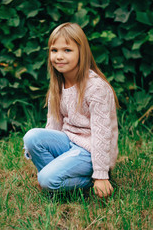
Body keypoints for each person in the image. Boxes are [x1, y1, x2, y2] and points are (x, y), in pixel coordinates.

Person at [23, 22, 120, 198]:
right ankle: (53, 179)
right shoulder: (58, 84)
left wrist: (101, 174)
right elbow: (53, 125)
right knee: (31, 137)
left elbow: (102, 134)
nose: (59, 56)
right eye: (54, 50)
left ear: (81, 53)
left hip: (90, 151)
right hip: (68, 143)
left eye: (67, 50)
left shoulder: (96, 88)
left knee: (46, 179)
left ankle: (88, 181)